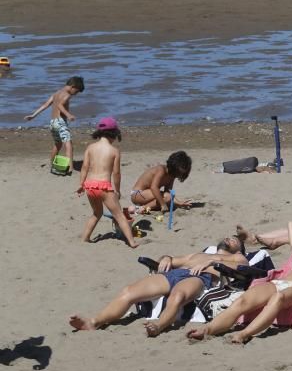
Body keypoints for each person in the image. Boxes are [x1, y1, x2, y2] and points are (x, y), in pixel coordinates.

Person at [68, 236, 247, 336]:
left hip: (202, 277)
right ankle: (93, 322)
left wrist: (211, 263)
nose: (228, 237)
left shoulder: (237, 257)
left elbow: (240, 268)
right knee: (129, 292)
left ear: (239, 249)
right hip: (177, 273)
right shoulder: (198, 254)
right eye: (228, 236)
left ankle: (159, 326)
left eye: (234, 240)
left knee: (178, 295)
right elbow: (174, 259)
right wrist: (167, 258)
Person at [76, 117, 139, 247]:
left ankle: (85, 238)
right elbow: (116, 173)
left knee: (96, 214)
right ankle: (132, 242)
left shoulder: (90, 147)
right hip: (104, 187)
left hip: (90, 185)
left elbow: (84, 167)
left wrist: (81, 184)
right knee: (119, 215)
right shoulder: (114, 151)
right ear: (113, 133)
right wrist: (117, 189)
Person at [24, 75, 85, 167]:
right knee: (68, 144)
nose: (75, 94)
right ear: (72, 86)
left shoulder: (56, 93)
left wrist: (33, 115)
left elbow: (45, 105)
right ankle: (70, 168)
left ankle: (53, 165)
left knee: (58, 144)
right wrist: (68, 115)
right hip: (61, 122)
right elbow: (60, 105)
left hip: (53, 123)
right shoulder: (67, 95)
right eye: (76, 92)